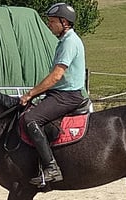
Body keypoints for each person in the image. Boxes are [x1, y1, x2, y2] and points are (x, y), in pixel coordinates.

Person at [20, 2, 86, 186]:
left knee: (30, 119)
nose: (49, 24)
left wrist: (30, 93)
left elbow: (56, 76)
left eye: (52, 21)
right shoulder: (64, 41)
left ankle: (51, 167)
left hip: (68, 96)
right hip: (60, 93)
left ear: (64, 22)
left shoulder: (70, 43)